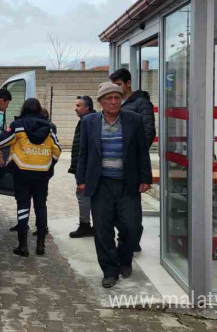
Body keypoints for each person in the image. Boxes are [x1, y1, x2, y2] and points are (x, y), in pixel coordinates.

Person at [75, 82, 152, 288]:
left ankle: (124, 259)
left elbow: (142, 151)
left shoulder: (133, 120)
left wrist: (146, 178)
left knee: (131, 226)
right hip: (100, 184)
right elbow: (83, 153)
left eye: (117, 98)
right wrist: (81, 180)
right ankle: (110, 271)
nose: (113, 102)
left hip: (128, 183)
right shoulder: (89, 122)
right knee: (102, 229)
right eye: (108, 98)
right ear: (100, 102)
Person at [0, 98, 61, 257]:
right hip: (42, 174)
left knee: (23, 205)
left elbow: (0, 140)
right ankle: (41, 245)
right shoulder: (50, 127)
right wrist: (49, 164)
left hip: (22, 172)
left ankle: (23, 245)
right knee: (40, 206)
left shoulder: (18, 126)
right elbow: (58, 150)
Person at [109, 68, 155, 253]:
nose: (117, 90)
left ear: (128, 83)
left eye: (119, 85)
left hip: (132, 166)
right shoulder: (117, 103)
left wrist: (132, 153)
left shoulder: (141, 103)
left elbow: (148, 132)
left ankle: (131, 240)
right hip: (114, 165)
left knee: (131, 209)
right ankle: (126, 240)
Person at [68, 95, 96, 238]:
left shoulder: (89, 121)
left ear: (87, 107)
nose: (75, 109)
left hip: (86, 169)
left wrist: (81, 170)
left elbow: (85, 149)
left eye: (78, 106)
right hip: (84, 167)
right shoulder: (86, 121)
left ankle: (85, 225)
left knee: (83, 194)